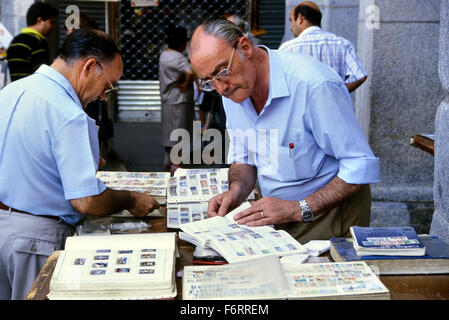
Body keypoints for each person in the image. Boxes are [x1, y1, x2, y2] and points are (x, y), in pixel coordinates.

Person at [0, 29, 160, 300]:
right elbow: (86, 202)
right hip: (35, 242)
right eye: (108, 86)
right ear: (89, 67)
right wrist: (131, 199)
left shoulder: (10, 92)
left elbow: (24, 156)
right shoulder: (68, 113)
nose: (103, 97)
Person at [188, 19, 380, 244]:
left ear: (245, 48)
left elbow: (360, 165)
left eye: (221, 72)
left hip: (330, 214)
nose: (220, 88)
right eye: (208, 82)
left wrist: (298, 209)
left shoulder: (313, 84)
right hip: (279, 215)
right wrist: (236, 191)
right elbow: (244, 157)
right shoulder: (233, 91)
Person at [279, 1, 367, 93]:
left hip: (300, 106)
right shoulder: (342, 44)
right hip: (334, 106)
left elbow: (278, 84)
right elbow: (360, 76)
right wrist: (338, 93)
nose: (290, 28)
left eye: (291, 20)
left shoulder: (287, 49)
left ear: (300, 18)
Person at [159, 26, 195, 172]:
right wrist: (186, 84)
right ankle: (176, 164)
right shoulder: (179, 57)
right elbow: (190, 72)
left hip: (168, 98)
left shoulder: (164, 55)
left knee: (169, 131)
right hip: (180, 99)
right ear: (181, 43)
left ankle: (167, 161)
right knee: (180, 132)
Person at [6, 2, 58, 82]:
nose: (53, 27)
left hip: (17, 91)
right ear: (39, 20)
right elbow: (43, 76)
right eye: (51, 22)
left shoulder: (14, 41)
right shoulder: (38, 42)